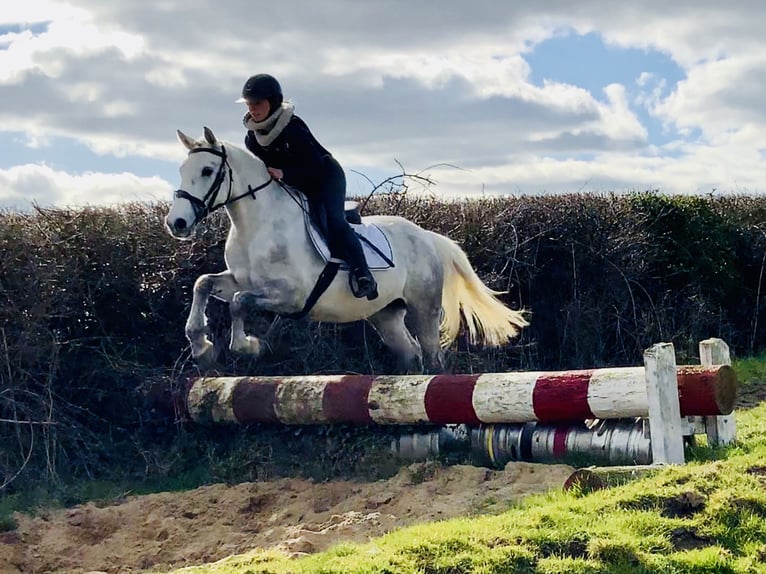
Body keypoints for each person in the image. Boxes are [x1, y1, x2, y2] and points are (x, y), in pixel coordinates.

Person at [237, 73, 378, 301]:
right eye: (249, 104)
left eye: (258, 103)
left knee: (334, 221)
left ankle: (364, 275)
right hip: (290, 183)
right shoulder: (251, 139)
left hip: (325, 176)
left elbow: (314, 167)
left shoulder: (292, 127)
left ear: (272, 102)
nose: (253, 109)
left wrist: (285, 173)